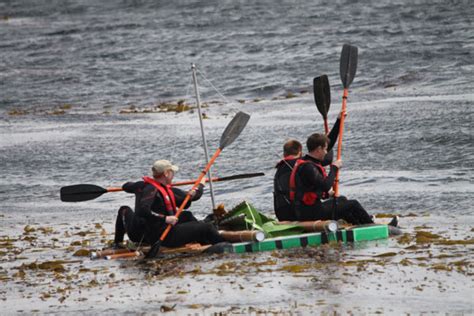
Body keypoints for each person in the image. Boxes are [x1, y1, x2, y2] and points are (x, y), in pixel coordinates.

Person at [113, 159, 225, 249]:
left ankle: (201, 240)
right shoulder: (151, 189)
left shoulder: (145, 186)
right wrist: (165, 218)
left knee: (187, 215)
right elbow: (143, 210)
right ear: (166, 174)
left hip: (152, 231)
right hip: (163, 236)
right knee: (207, 227)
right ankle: (226, 246)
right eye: (172, 172)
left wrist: (199, 186)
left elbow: (126, 186)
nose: (173, 175)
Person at [289, 133, 378, 225]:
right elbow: (326, 186)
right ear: (319, 149)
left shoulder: (307, 161)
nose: (326, 152)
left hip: (307, 209)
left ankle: (359, 224)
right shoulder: (308, 167)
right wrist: (334, 168)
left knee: (342, 200)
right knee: (353, 204)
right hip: (310, 213)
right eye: (325, 149)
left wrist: (327, 194)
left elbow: (315, 189)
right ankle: (373, 227)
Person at [273, 115, 341, 221]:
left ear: (284, 153)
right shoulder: (302, 165)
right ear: (300, 152)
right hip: (296, 212)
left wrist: (325, 194)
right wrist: (339, 121)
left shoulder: (280, 168)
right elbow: (327, 147)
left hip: (281, 213)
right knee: (341, 202)